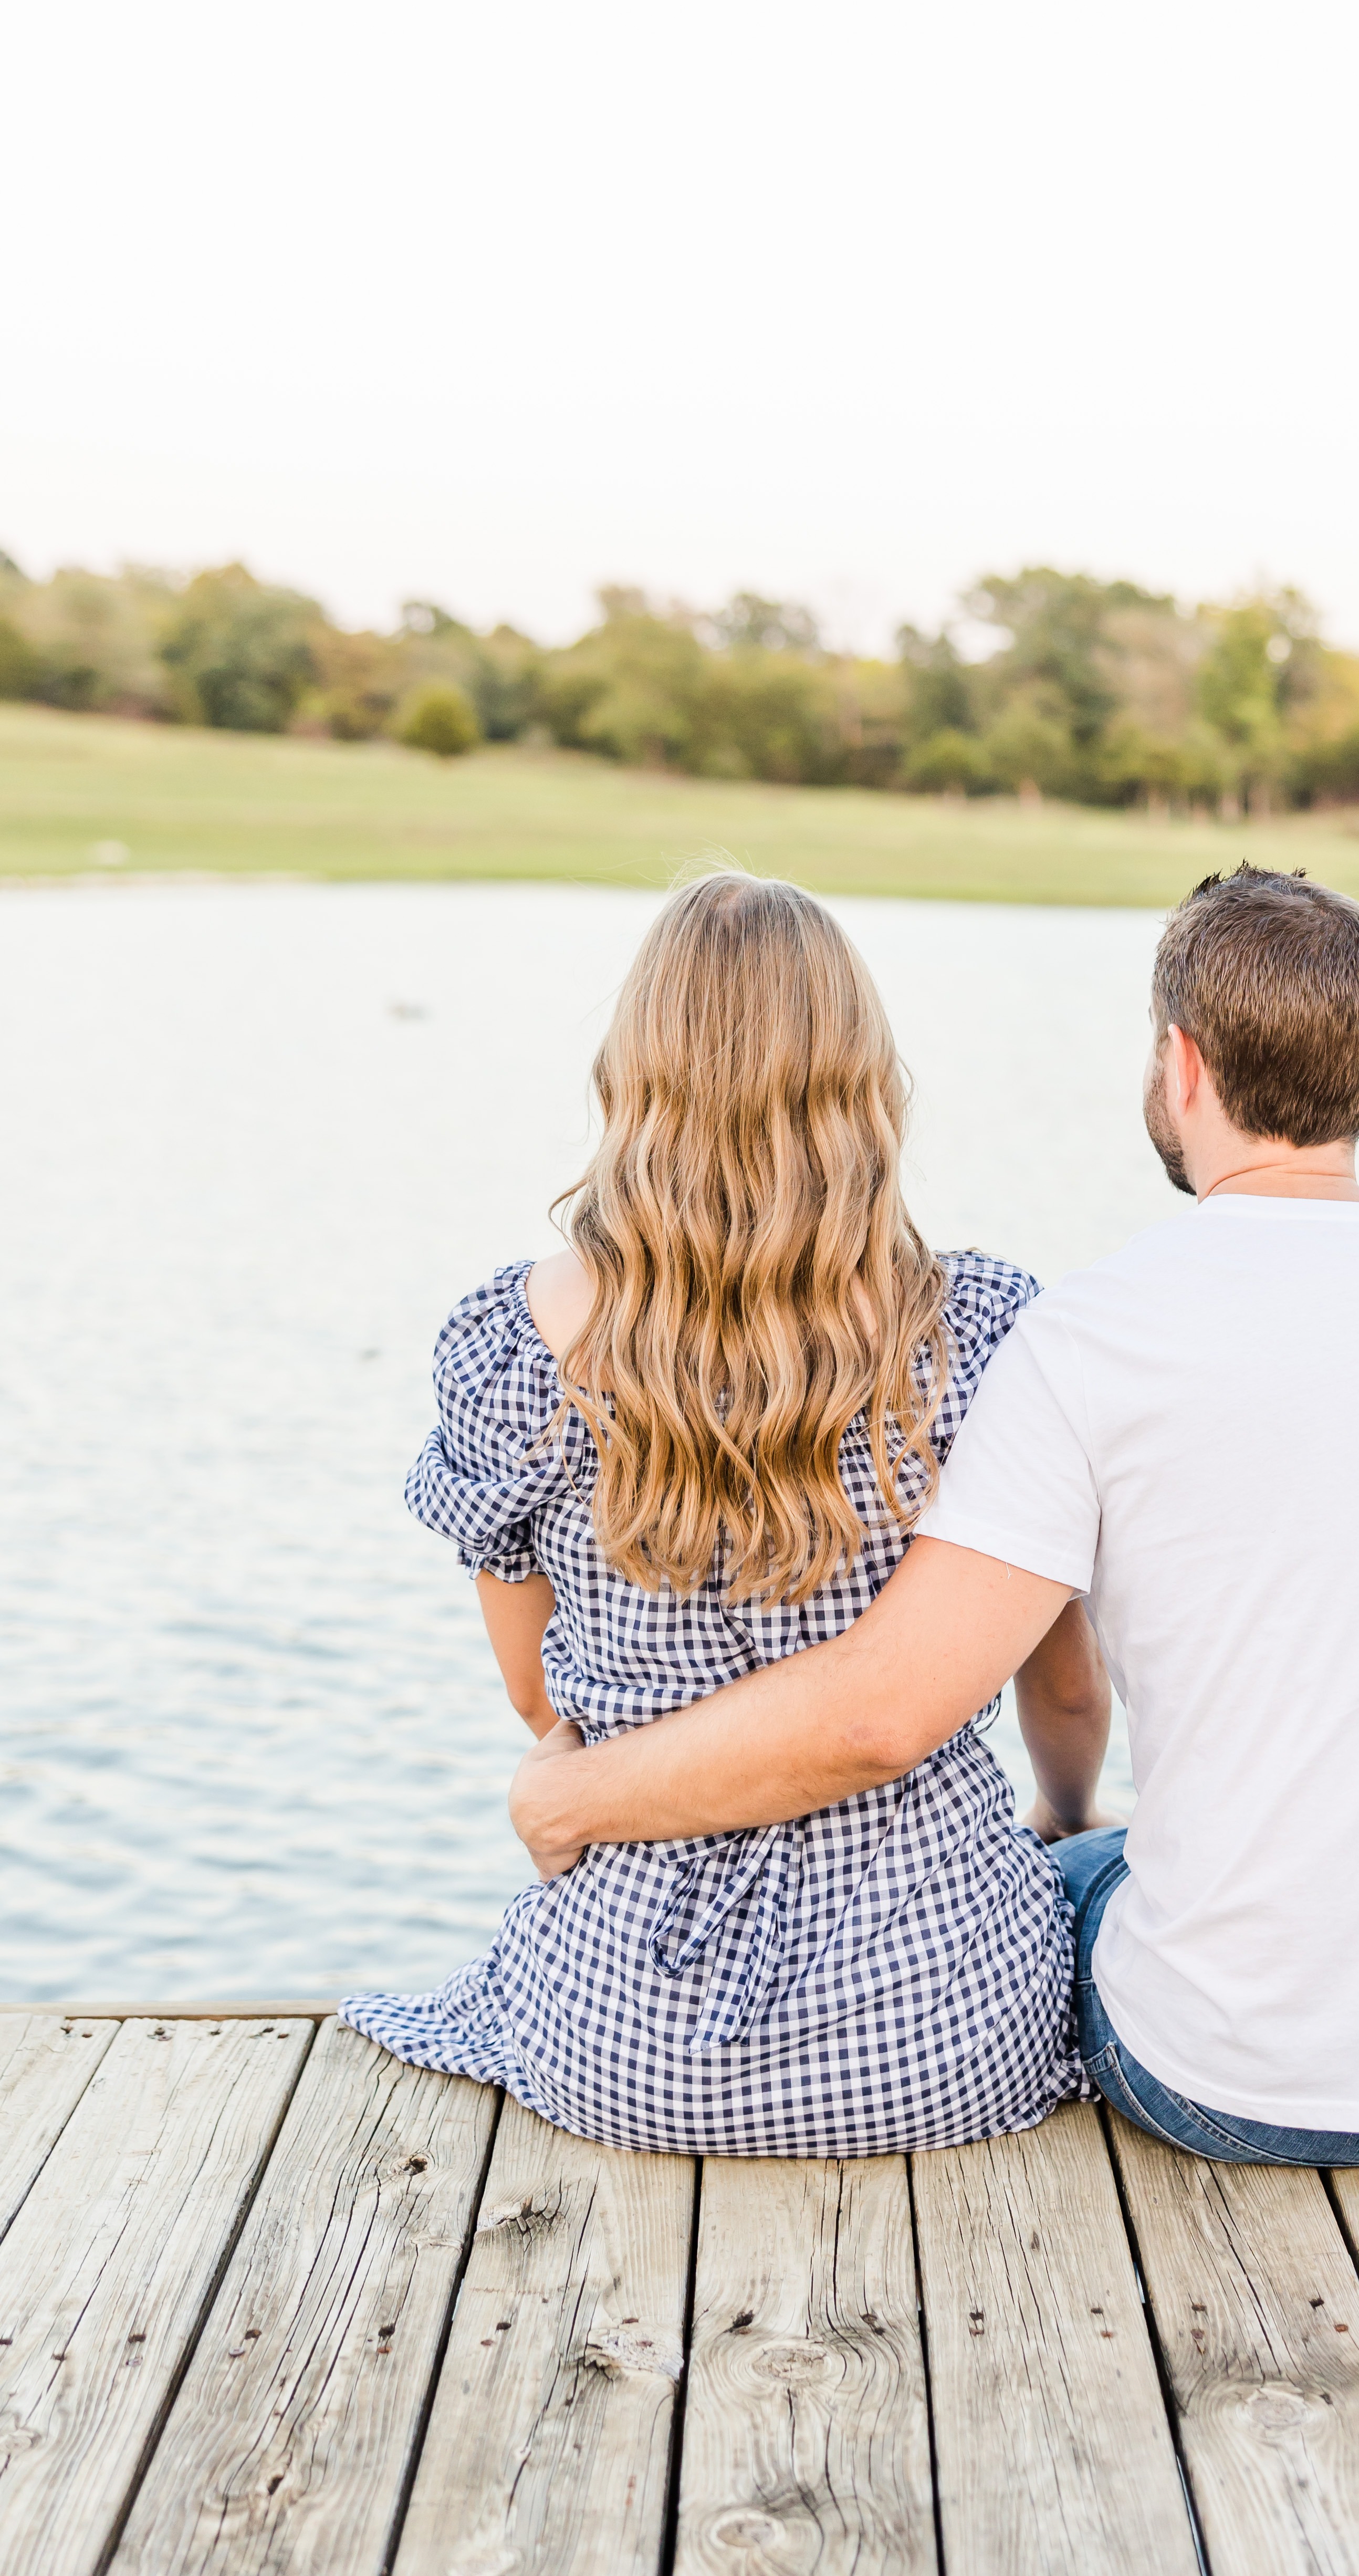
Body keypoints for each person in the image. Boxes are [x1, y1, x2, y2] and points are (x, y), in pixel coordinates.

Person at [509, 863, 1359, 2166]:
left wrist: (572, 1800)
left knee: (1071, 1875)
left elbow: (888, 1712)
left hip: (1226, 2082)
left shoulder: (1095, 1335)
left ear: (1181, 1066)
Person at [341, 872, 1104, 2156]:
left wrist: (570, 1783)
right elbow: (1067, 1690)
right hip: (932, 2036)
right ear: (864, 1082)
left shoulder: (513, 1347)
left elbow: (541, 1705)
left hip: (619, 2039)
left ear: (634, 1075)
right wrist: (1068, 1819)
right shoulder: (982, 1338)